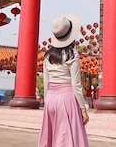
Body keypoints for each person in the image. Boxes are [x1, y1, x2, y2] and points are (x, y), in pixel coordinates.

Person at [38, 15, 89, 147]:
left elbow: (46, 82)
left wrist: (46, 100)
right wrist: (83, 108)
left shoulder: (47, 55)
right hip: (67, 99)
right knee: (66, 139)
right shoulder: (72, 54)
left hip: (51, 99)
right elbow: (76, 84)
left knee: (53, 136)